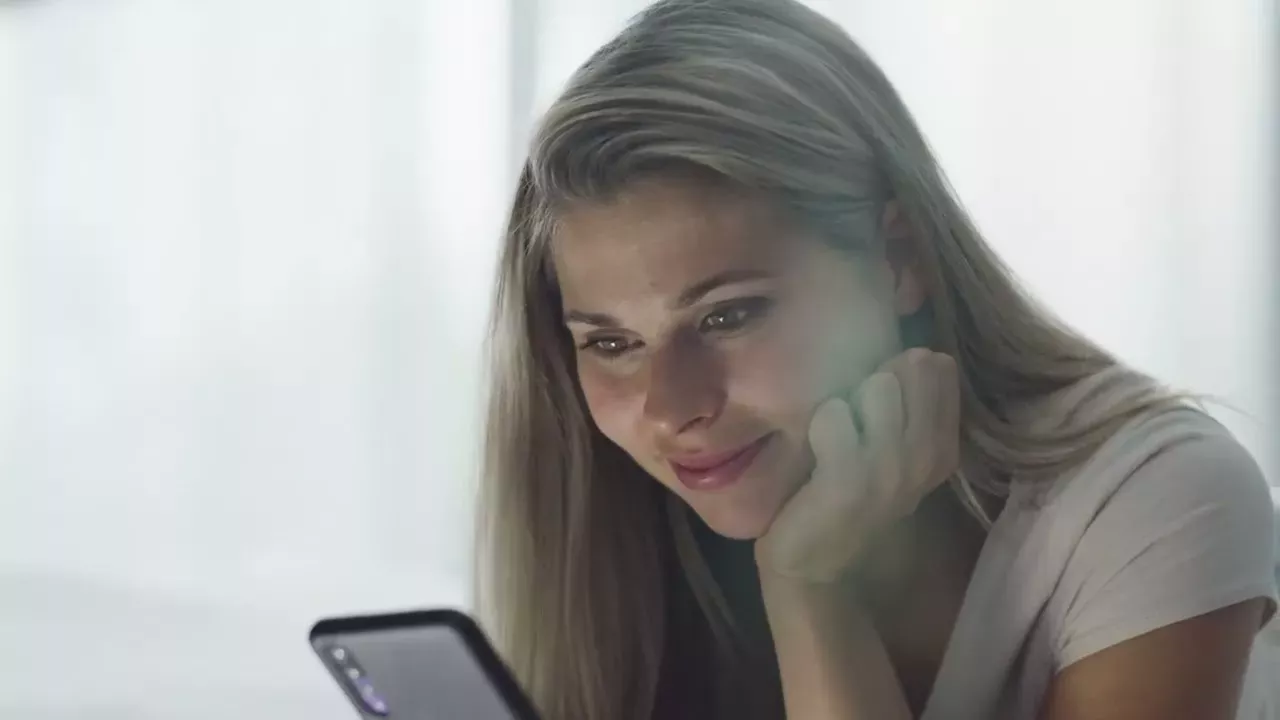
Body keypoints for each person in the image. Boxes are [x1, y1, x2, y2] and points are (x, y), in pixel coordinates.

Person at [473, 0, 1279, 718]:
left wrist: (808, 588)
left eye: (726, 315)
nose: (669, 407)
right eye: (612, 344)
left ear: (899, 257)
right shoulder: (624, 536)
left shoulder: (1151, 497)